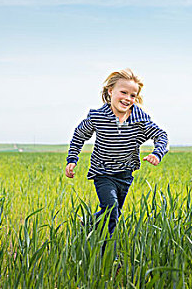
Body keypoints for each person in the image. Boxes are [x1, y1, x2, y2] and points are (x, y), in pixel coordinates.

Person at [65, 68, 169, 249]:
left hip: (125, 175)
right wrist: (72, 159)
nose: (128, 98)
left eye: (132, 95)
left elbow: (161, 135)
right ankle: (108, 256)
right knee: (111, 211)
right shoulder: (98, 116)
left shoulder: (140, 119)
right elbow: (79, 135)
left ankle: (89, 222)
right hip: (102, 173)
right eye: (123, 92)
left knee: (112, 213)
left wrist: (157, 153)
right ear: (110, 91)